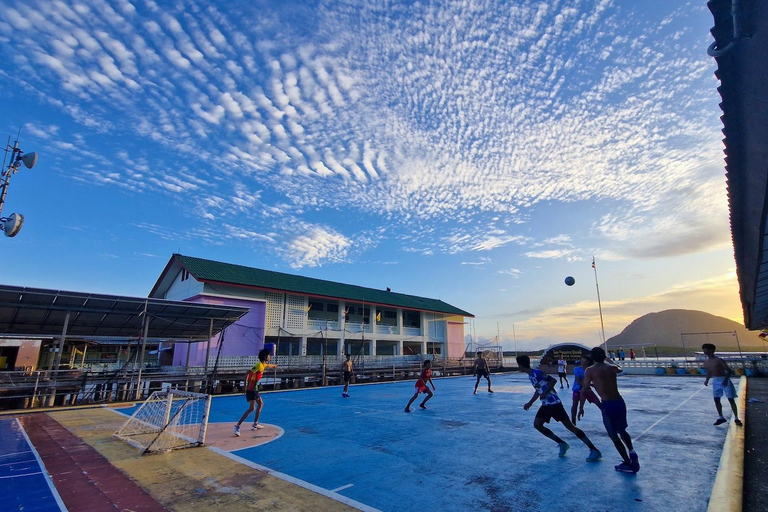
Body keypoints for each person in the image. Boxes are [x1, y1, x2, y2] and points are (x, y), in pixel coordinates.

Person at [516, 355, 602, 461]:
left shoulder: (536, 373)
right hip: (546, 404)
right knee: (538, 425)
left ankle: (594, 450)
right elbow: (538, 390)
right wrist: (530, 403)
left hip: (554, 403)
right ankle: (561, 443)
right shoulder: (531, 375)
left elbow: (553, 381)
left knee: (570, 427)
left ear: (520, 365)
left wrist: (545, 393)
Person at [580, 347, 639, 473]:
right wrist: (610, 361)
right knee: (622, 430)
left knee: (613, 435)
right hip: (619, 401)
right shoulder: (611, 368)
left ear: (593, 357)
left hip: (607, 404)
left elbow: (584, 389)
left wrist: (588, 403)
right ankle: (631, 450)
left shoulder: (590, 370)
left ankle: (628, 463)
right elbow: (620, 369)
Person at [234, 348, 276, 436]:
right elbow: (247, 373)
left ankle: (255, 423)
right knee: (252, 408)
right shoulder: (259, 365)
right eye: (269, 355)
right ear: (265, 356)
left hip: (254, 389)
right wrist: (245, 386)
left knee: (260, 404)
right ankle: (237, 426)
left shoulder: (263, 365)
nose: (270, 357)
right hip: (251, 389)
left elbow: (267, 365)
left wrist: (274, 366)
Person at [702, 343, 742, 426]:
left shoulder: (719, 360)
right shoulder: (706, 361)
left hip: (723, 379)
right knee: (716, 399)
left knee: (731, 399)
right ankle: (721, 417)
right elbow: (709, 371)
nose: (705, 351)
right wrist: (707, 380)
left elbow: (729, 370)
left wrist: (726, 380)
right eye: (704, 349)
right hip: (715, 380)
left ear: (712, 350)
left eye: (706, 349)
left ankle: (736, 418)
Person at [571, 355, 600, 425]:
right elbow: (579, 381)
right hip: (578, 389)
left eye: (584, 360)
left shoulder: (591, 370)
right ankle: (573, 420)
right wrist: (589, 384)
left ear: (588, 362)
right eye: (581, 359)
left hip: (587, 388)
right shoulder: (577, 369)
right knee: (575, 404)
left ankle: (609, 417)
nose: (582, 361)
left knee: (598, 403)